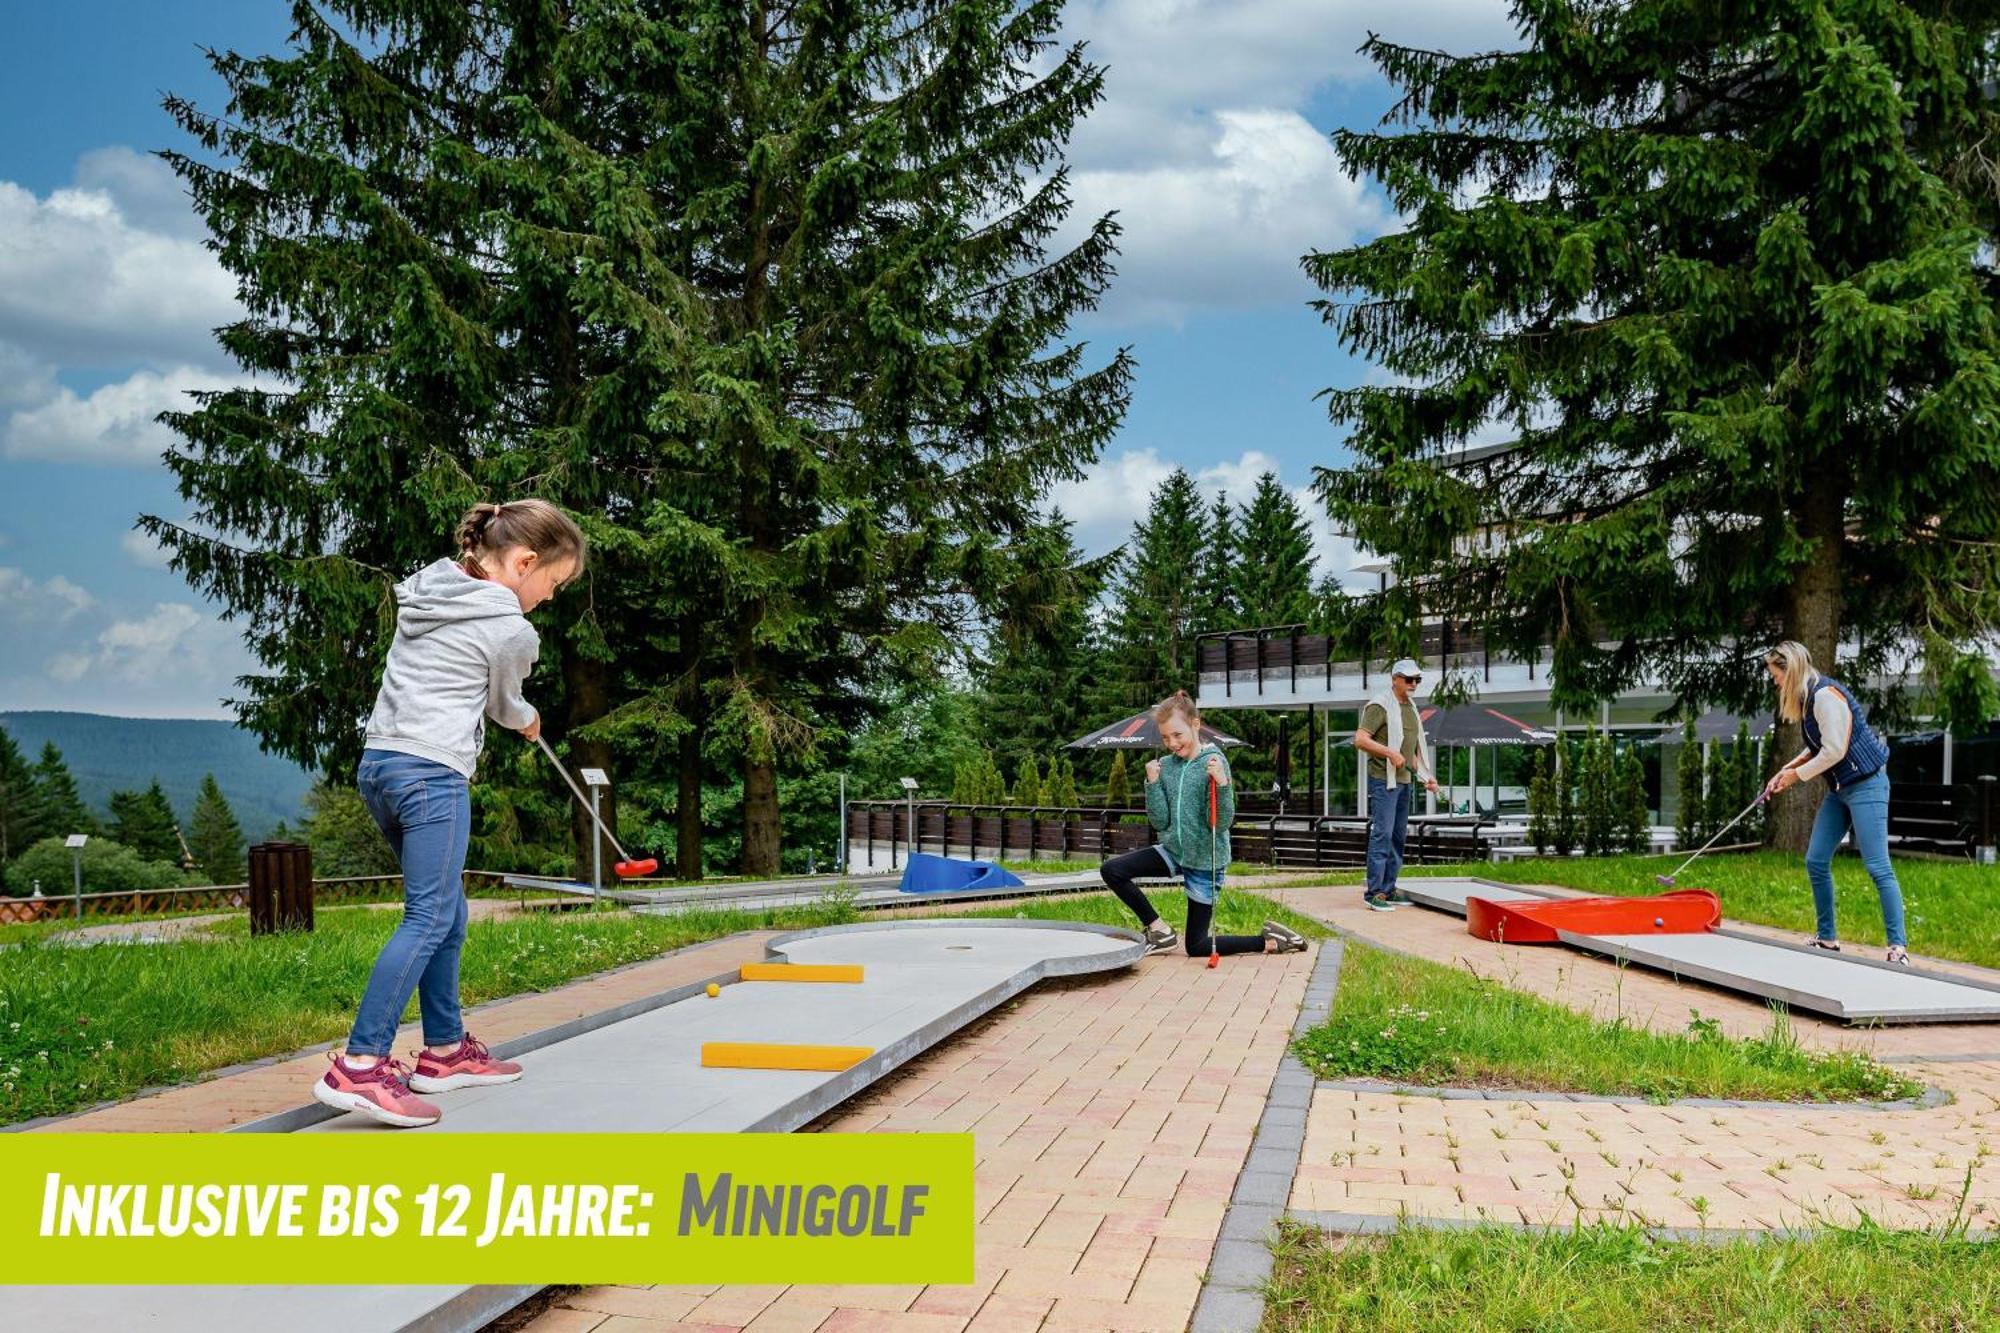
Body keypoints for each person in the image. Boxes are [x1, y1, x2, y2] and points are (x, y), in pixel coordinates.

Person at [313, 499, 586, 1126]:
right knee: (429, 915)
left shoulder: (432, 590)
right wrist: (527, 719)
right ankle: (359, 1065)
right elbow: (502, 702)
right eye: (553, 583)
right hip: (432, 774)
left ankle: (444, 1051)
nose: (549, 596)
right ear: (524, 562)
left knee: (447, 910)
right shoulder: (512, 629)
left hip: (381, 766)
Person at [1099, 692, 1308, 958]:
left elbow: (1221, 824)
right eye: (1165, 737)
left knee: (1197, 947)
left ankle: (1269, 941)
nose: (1171, 743)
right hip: (1173, 850)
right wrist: (1152, 784)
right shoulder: (1166, 766)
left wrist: (1221, 784)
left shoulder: (1214, 762)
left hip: (1205, 859)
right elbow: (1160, 821)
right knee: (1112, 871)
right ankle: (1160, 931)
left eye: (1177, 735)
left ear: (1195, 725)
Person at [1761, 640, 1908, 965]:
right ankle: (1827, 939)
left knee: (1877, 866)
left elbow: (1835, 751)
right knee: (1815, 860)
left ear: (1791, 669)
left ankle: (1898, 947)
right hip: (1841, 790)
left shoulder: (1826, 697)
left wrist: (1796, 777)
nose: (1774, 681)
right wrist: (1786, 770)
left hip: (1867, 785)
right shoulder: (1809, 697)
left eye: (1776, 675)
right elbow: (1818, 746)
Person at [1354, 658, 1439, 911]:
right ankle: (1374, 893)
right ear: (1395, 679)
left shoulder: (1411, 708)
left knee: (1398, 837)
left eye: (1417, 680)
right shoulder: (1379, 706)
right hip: (1383, 780)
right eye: (1409, 679)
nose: (1414, 684)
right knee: (1382, 834)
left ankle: (1389, 890)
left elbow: (1409, 751)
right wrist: (1389, 753)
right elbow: (1360, 739)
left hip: (1404, 781)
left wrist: (1425, 775)